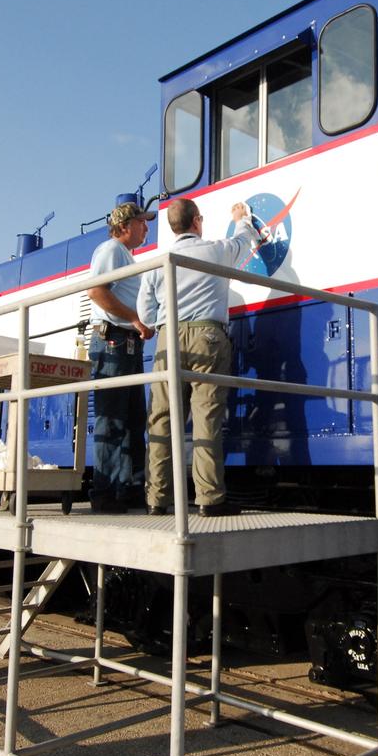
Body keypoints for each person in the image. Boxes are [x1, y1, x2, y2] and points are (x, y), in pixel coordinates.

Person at [139, 198, 266, 517]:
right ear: (197, 221)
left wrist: (163, 322)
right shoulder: (215, 250)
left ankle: (157, 499)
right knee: (206, 418)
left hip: (168, 340)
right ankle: (209, 499)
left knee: (162, 420)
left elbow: (145, 312)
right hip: (208, 336)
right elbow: (243, 241)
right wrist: (240, 218)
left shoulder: (159, 262)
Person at [85, 197, 155, 514]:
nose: (146, 227)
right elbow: (97, 291)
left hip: (126, 344)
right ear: (124, 226)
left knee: (132, 419)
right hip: (114, 341)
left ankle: (126, 489)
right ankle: (105, 493)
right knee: (113, 419)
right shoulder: (111, 251)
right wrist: (135, 319)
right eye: (142, 222)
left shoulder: (124, 255)